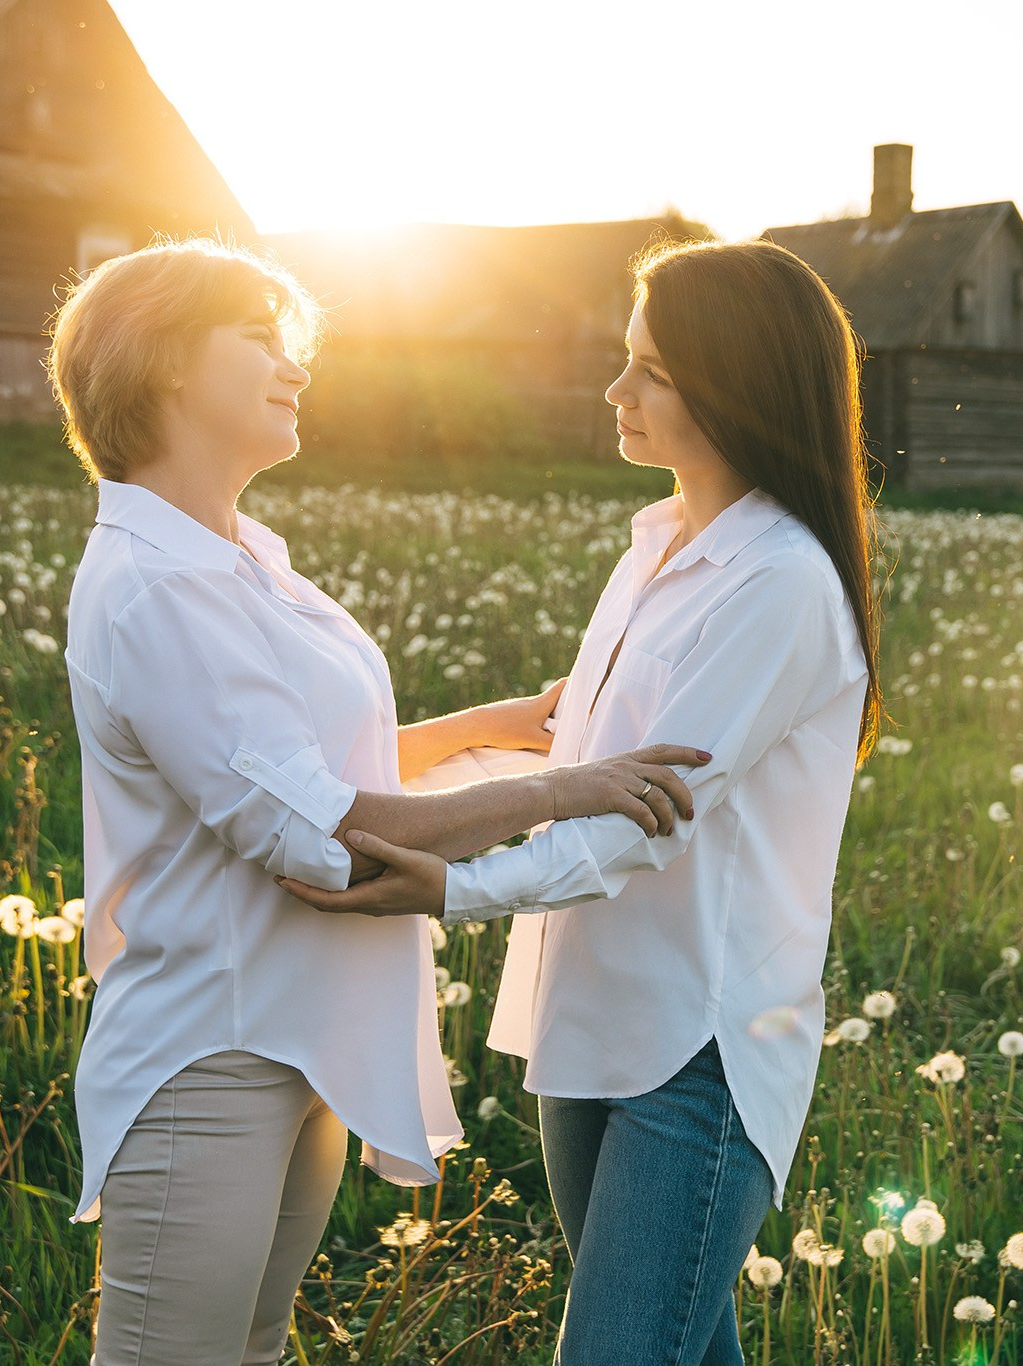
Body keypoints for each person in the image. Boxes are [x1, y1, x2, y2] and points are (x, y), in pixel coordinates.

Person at [45, 236, 707, 1365]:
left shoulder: (236, 557)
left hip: (292, 1040)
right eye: (256, 335)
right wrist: (565, 789)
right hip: (211, 1049)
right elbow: (315, 835)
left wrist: (499, 725)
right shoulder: (156, 586)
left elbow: (297, 765)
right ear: (157, 361)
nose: (292, 363)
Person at [285, 238, 882, 1365]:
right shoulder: (655, 549)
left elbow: (635, 825)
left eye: (649, 370)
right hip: (587, 1019)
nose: (616, 391)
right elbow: (577, 757)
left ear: (735, 381)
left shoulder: (779, 584)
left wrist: (452, 888)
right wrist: (380, 806)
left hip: (695, 1051)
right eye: (626, 362)